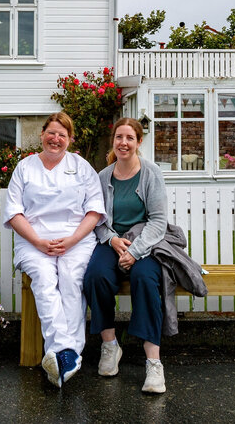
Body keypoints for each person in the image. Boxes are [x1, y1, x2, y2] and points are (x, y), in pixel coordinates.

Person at [3, 111, 105, 388]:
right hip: (34, 242)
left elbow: (94, 211)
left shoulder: (82, 167)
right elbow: (14, 212)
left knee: (72, 280)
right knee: (45, 281)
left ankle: (64, 354)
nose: (55, 139)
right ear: (42, 135)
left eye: (62, 134)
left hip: (77, 241)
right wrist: (37, 241)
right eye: (51, 133)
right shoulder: (25, 168)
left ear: (70, 139)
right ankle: (65, 352)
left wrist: (71, 240)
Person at [83, 117, 169, 394]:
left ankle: (153, 362)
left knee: (145, 280)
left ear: (139, 142)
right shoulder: (103, 176)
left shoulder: (151, 173)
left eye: (130, 138)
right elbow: (97, 219)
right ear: (113, 141)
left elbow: (158, 221)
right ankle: (110, 345)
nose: (124, 143)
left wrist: (135, 250)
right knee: (95, 276)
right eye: (119, 137)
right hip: (112, 242)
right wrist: (112, 240)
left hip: (145, 244)